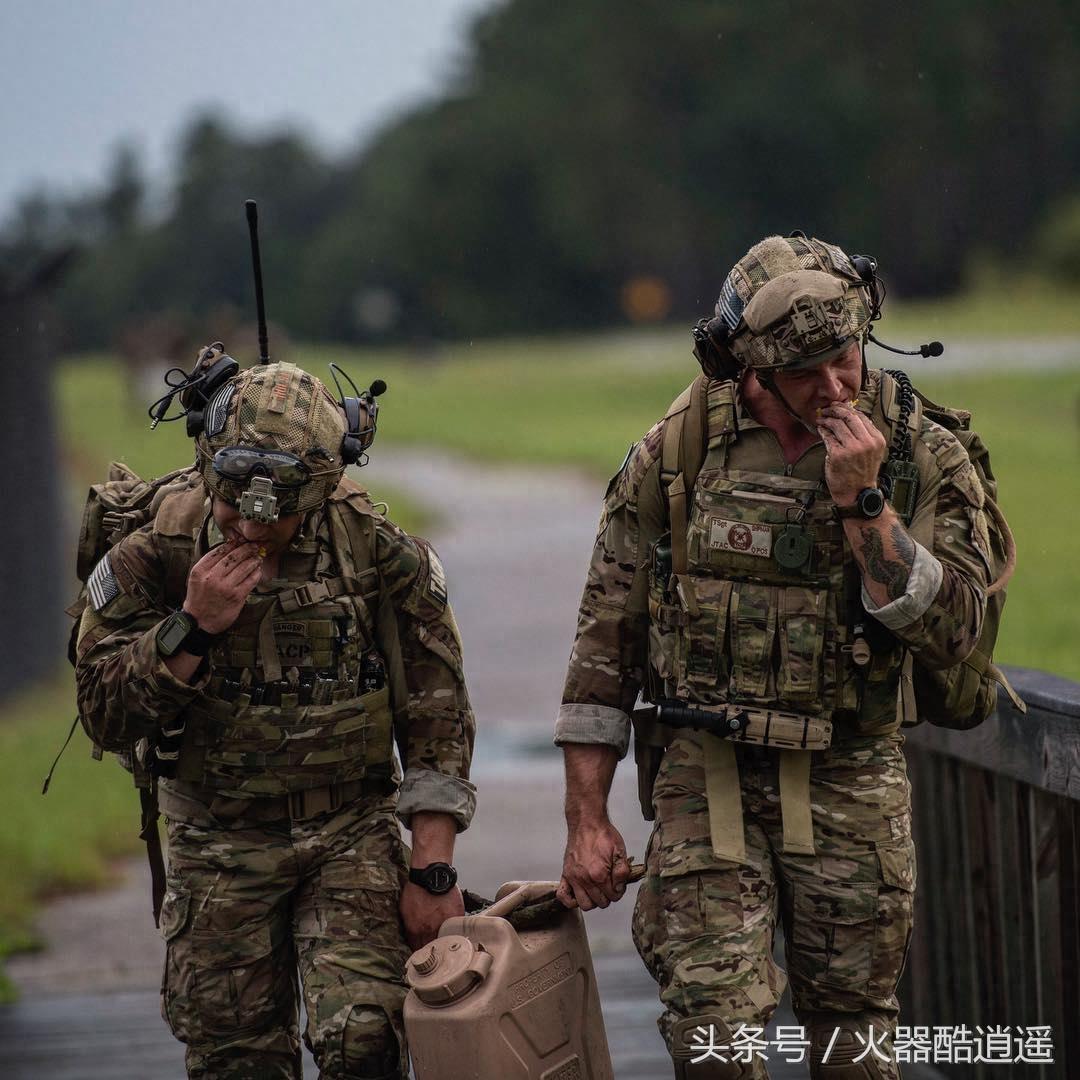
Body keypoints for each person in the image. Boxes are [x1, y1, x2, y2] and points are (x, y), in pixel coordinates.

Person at [553, 234, 995, 1079]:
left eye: (846, 358)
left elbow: (959, 633)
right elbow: (605, 647)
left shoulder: (918, 452)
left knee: (852, 1037)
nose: (834, 388)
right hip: (707, 773)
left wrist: (864, 506)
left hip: (850, 771)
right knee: (711, 1032)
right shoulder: (676, 452)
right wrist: (587, 820)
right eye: (804, 373)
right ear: (747, 365)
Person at [75, 352, 476, 1080]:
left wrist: (433, 870)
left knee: (364, 1041)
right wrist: (191, 628)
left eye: (278, 509)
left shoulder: (374, 551)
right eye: (231, 502)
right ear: (207, 470)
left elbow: (438, 713)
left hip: (347, 831)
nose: (252, 526)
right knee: (236, 1060)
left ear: (318, 490)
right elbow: (103, 712)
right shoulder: (157, 551)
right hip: (217, 837)